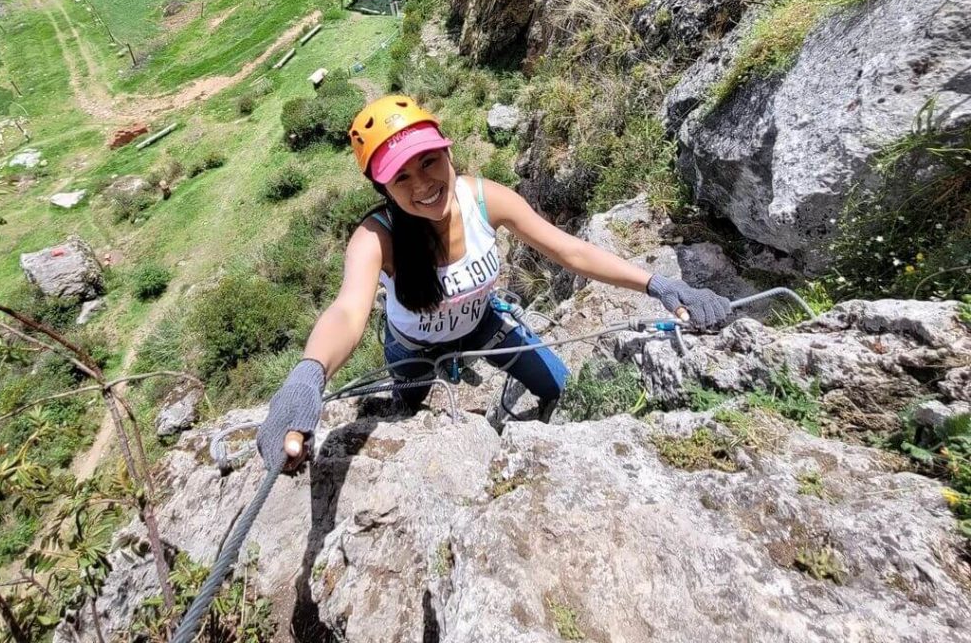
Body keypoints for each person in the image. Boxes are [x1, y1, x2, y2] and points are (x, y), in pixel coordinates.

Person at [257, 95, 732, 473]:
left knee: (560, 387)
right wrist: (309, 375)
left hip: (484, 325)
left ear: (447, 151)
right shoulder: (375, 237)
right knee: (405, 412)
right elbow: (347, 311)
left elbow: (570, 251)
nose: (422, 183)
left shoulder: (485, 200)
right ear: (383, 191)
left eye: (427, 161)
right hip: (413, 348)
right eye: (400, 178)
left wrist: (658, 284)